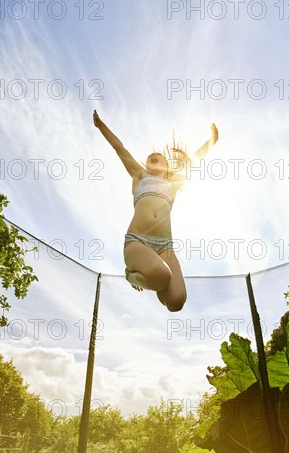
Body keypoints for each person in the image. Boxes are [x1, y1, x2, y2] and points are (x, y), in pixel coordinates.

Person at [93, 109, 218, 312]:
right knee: (161, 276)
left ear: (167, 166)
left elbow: (195, 159)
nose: (153, 156)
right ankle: (131, 273)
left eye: (158, 156)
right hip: (137, 241)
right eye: (150, 156)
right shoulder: (139, 177)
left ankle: (154, 280)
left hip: (165, 246)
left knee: (176, 302)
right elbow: (119, 148)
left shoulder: (173, 183)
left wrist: (213, 139)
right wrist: (101, 125)